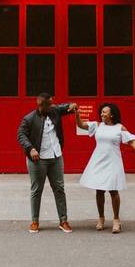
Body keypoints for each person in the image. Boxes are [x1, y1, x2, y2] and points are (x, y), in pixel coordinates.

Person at [77, 102, 135, 234]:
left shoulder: (119, 128)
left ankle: (116, 220)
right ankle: (101, 218)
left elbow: (132, 142)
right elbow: (81, 125)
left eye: (104, 112)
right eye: (101, 112)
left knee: (113, 191)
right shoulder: (97, 125)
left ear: (112, 114)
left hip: (113, 162)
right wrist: (77, 114)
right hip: (98, 161)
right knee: (99, 190)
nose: (102, 114)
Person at [17, 93, 78, 234]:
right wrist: (30, 148)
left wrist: (71, 105)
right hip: (38, 159)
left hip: (56, 156)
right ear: (41, 105)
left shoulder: (54, 111)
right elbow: (21, 135)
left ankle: (63, 220)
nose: (53, 106)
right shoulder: (29, 118)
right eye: (50, 104)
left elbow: (64, 108)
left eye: (53, 103)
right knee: (36, 190)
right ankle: (34, 221)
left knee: (59, 188)